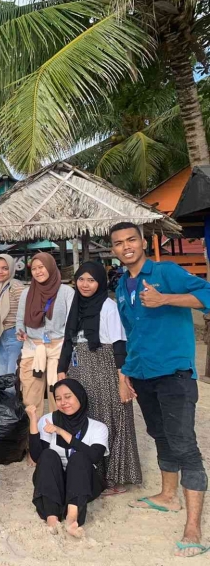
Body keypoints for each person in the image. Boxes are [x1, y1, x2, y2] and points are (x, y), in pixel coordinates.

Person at [111, 222, 209, 558]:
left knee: (184, 443)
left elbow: (207, 296)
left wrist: (166, 298)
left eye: (131, 240)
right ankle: (168, 496)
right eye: (119, 243)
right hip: (142, 373)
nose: (126, 247)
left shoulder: (165, 272)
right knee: (160, 435)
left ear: (142, 242)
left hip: (175, 372)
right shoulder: (123, 286)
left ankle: (194, 527)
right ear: (113, 249)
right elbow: (132, 332)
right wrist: (126, 372)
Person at [58, 261, 141, 496]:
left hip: (104, 369)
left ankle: (115, 477)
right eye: (81, 279)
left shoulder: (108, 306)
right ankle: (91, 472)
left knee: (111, 419)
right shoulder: (76, 306)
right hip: (80, 371)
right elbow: (68, 340)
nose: (85, 285)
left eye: (91, 280)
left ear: (100, 283)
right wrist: (62, 370)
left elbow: (118, 345)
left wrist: (122, 381)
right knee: (87, 418)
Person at [27, 379, 108, 538]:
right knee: (48, 455)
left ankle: (72, 518)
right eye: (58, 398)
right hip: (54, 483)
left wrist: (61, 431)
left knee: (79, 458)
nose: (63, 402)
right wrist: (33, 421)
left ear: (80, 397)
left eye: (68, 396)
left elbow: (94, 456)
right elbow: (38, 457)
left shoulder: (98, 427)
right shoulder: (48, 420)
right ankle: (52, 517)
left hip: (83, 482)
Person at [16, 252, 75, 417]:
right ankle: (35, 437)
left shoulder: (66, 292)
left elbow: (72, 321)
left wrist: (62, 340)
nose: (37, 271)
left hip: (58, 349)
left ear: (50, 267)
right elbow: (20, 320)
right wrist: (20, 332)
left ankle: (59, 436)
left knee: (59, 396)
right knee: (30, 398)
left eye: (41, 267)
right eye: (34, 268)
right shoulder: (27, 293)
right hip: (33, 349)